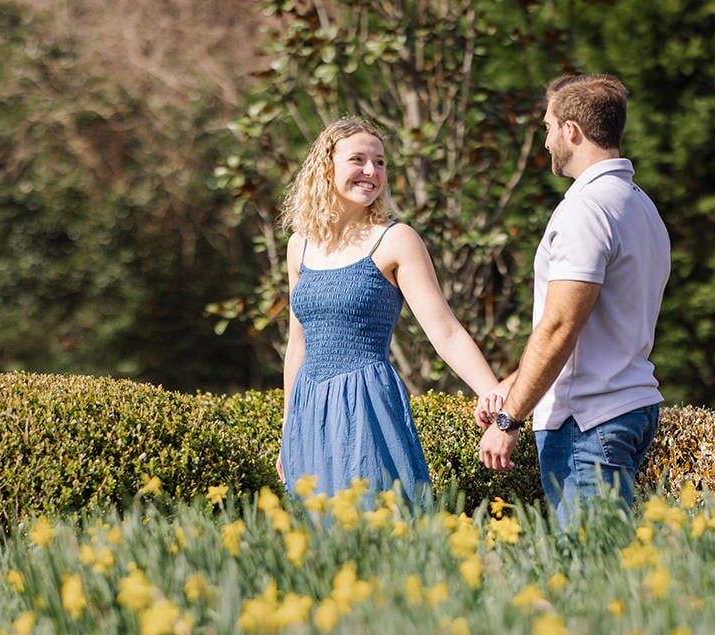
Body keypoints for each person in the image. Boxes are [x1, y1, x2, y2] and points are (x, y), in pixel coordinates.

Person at [476, 73, 671, 526]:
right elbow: (593, 326)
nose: (544, 141)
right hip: (624, 407)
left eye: (547, 127)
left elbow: (561, 326)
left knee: (588, 574)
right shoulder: (639, 205)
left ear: (571, 130)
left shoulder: (587, 209)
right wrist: (514, 382)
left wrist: (509, 420)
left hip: (588, 422)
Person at [278, 116, 501, 503]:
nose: (371, 171)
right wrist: (288, 427)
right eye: (358, 160)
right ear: (326, 166)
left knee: (380, 522)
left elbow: (445, 331)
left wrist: (493, 396)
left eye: (380, 162)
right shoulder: (299, 245)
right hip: (308, 411)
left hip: (368, 405)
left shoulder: (396, 240)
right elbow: (297, 345)